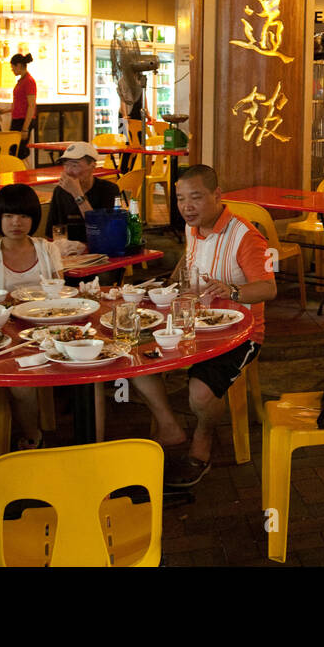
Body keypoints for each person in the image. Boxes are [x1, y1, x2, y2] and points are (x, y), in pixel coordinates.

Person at [133, 165, 276, 486]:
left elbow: (269, 288)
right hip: (192, 324)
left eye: (196, 198)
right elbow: (190, 261)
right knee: (134, 356)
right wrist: (167, 287)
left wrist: (233, 291)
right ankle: (169, 425)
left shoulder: (246, 236)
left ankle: (203, 436)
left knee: (199, 394)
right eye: (181, 199)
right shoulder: (192, 229)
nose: (187, 207)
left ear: (217, 195)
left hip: (239, 334)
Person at [0, 184, 62, 450]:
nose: (16, 223)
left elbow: (60, 295)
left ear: (34, 218)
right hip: (5, 337)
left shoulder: (47, 250)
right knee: (22, 382)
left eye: (23, 216)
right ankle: (33, 435)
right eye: (8, 216)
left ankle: (87, 436)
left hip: (48, 330)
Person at [44, 141, 121, 242]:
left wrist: (77, 193)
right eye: (66, 165)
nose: (69, 171)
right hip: (71, 251)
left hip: (101, 247)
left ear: (93, 166)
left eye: (75, 165)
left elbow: (101, 228)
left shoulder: (109, 190)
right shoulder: (60, 191)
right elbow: (54, 230)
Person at [8, 53, 37, 159]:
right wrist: (5, 110)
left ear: (19, 66)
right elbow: (20, 102)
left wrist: (25, 128)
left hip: (23, 120)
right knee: (15, 150)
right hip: (18, 119)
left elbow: (31, 105)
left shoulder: (29, 81)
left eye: (13, 67)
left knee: (18, 151)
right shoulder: (22, 81)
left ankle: (22, 172)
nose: (12, 70)